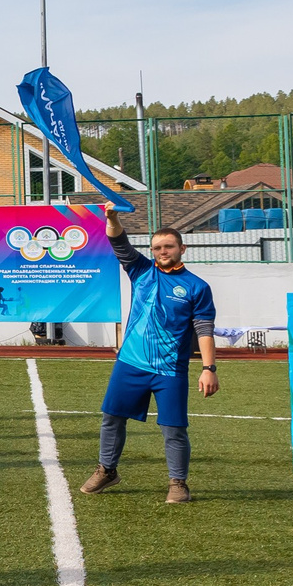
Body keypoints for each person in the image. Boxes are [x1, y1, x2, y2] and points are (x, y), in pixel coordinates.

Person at [82, 208, 218, 503]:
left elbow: (204, 328)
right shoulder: (141, 270)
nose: (162, 251)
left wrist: (209, 368)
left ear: (182, 248)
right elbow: (120, 243)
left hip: (170, 369)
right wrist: (113, 219)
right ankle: (107, 470)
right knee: (112, 418)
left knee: (174, 428)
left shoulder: (197, 287)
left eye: (169, 246)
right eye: (157, 247)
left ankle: (178, 483)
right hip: (130, 363)